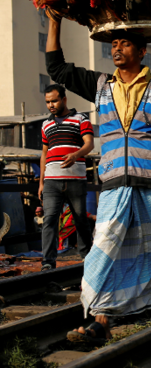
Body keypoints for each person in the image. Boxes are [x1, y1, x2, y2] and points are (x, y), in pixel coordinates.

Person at [46, 18, 151, 342]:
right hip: (113, 185)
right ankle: (101, 319)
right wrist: (54, 22)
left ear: (142, 51)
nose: (117, 48)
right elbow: (57, 68)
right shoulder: (100, 86)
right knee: (105, 248)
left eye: (125, 44)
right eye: (114, 43)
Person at [38, 84, 95, 271]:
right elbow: (44, 154)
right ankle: (48, 261)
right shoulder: (45, 124)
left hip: (76, 180)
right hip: (52, 182)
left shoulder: (81, 119)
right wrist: (41, 182)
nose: (51, 105)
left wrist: (75, 155)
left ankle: (88, 258)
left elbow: (89, 144)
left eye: (54, 100)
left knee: (80, 219)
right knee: (49, 220)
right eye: (47, 102)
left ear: (64, 99)